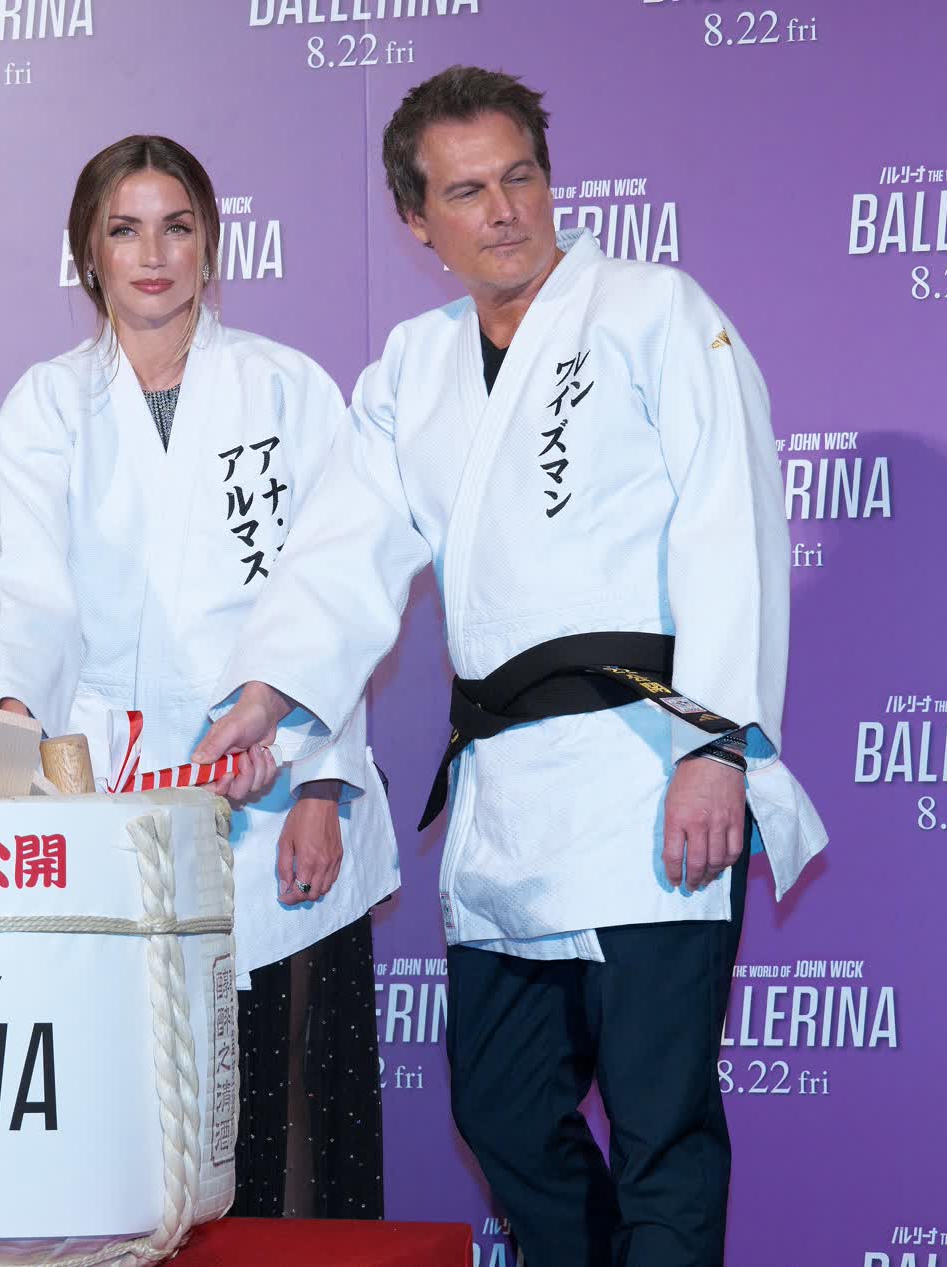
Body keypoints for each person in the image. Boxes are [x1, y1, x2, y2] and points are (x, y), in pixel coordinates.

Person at [194, 69, 828, 1266]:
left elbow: (729, 526)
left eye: (519, 178)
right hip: (510, 799)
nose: (503, 212)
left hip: (649, 774)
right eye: (466, 192)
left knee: (659, 1124)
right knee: (501, 1109)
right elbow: (343, 550)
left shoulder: (653, 310)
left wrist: (715, 748)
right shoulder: (413, 365)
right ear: (416, 221)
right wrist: (267, 693)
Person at [0, 136, 400, 1218]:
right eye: (125, 230)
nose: (153, 253)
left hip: (273, 783)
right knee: (133, 1106)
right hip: (107, 797)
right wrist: (17, 723)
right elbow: (31, 592)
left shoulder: (285, 387)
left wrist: (321, 784)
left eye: (177, 227)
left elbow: (333, 589)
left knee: (290, 1100)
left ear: (211, 244)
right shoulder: (47, 404)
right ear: (89, 252)